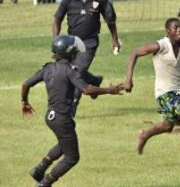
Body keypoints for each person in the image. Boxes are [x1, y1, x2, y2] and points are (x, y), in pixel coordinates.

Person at [22, 35, 122, 187]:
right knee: (72, 157)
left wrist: (25, 101)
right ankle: (45, 183)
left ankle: (39, 169)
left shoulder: (48, 68)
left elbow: (26, 84)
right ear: (71, 53)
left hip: (50, 117)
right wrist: (110, 90)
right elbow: (87, 90)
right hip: (62, 119)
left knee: (65, 143)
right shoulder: (70, 71)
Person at [122, 18, 180, 168]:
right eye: (175, 28)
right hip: (164, 93)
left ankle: (144, 135)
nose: (179, 30)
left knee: (167, 126)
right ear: (167, 31)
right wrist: (128, 79)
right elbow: (135, 53)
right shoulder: (160, 45)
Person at [52, 0, 122, 117]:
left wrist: (115, 40)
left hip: (89, 43)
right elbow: (57, 20)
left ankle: (72, 106)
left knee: (76, 73)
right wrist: (56, 39)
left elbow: (111, 22)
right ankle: (94, 81)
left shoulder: (101, 1)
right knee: (74, 70)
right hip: (72, 42)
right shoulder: (69, 0)